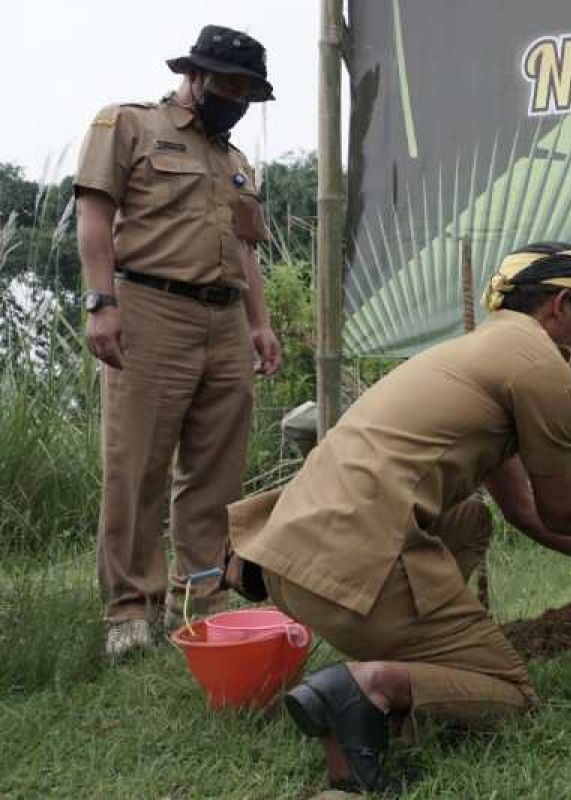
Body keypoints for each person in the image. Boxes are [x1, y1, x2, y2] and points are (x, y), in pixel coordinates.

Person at [227, 242, 571, 793]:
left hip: (288, 560)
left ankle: (390, 679)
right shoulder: (542, 367)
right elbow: (564, 508)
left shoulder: (474, 355)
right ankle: (371, 684)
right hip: (353, 565)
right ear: (561, 304)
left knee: (469, 519)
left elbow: (525, 511)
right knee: (510, 690)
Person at [74, 25, 282, 660]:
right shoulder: (129, 126)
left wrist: (260, 321)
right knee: (136, 463)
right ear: (193, 74)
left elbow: (246, 251)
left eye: (248, 90)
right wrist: (101, 301)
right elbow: (94, 214)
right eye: (227, 84)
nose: (236, 97)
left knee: (216, 469)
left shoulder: (237, 162)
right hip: (148, 308)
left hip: (223, 321)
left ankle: (198, 595)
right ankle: (128, 608)